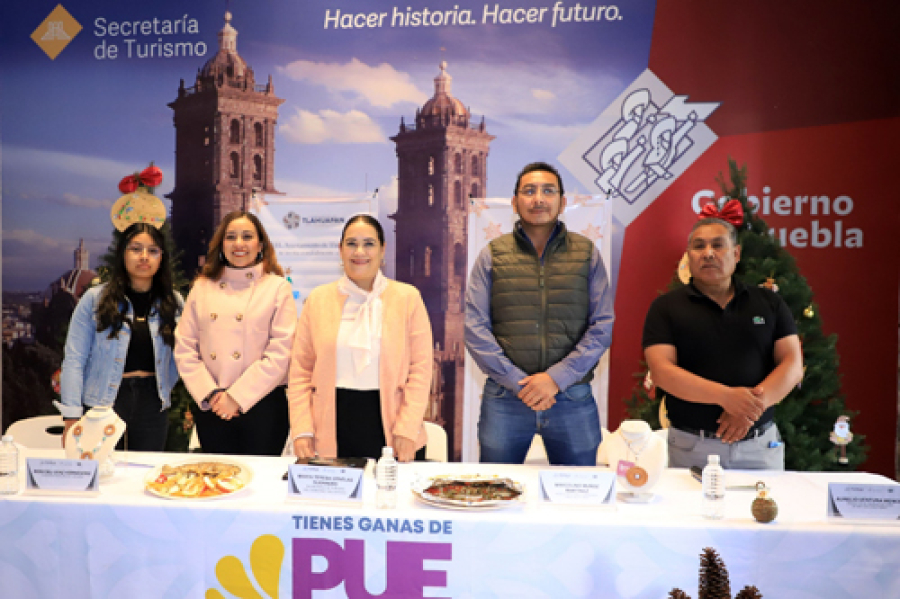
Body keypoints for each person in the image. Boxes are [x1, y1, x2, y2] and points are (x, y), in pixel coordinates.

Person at [465, 162, 614, 466]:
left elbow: (602, 326)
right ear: (514, 202)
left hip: (571, 397)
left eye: (548, 191)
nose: (538, 199)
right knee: (498, 488)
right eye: (529, 191)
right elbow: (474, 326)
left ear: (562, 202)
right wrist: (518, 381)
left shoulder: (586, 253)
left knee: (576, 490)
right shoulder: (492, 255)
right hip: (506, 399)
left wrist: (556, 378)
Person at [642, 201, 804, 470]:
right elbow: (662, 372)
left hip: (759, 448)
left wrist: (747, 411)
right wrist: (726, 397)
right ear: (688, 256)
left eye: (718, 245)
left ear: (736, 253)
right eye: (699, 246)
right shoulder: (665, 307)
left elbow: (792, 364)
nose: (708, 253)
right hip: (691, 449)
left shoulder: (769, 302)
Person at [287, 215, 433, 462]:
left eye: (369, 244)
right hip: (330, 428)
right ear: (340, 250)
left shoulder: (408, 298)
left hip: (395, 430)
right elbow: (300, 371)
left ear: (382, 249)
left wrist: (407, 429)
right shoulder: (318, 300)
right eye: (351, 243)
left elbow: (421, 370)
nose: (359, 252)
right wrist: (302, 429)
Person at [174, 211, 297, 455]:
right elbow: (185, 347)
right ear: (221, 244)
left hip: (262, 406)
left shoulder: (277, 288)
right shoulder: (202, 287)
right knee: (217, 475)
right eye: (231, 237)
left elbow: (281, 351)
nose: (239, 244)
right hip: (213, 405)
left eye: (247, 236)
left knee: (262, 477)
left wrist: (238, 397)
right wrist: (210, 393)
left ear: (260, 245)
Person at [57, 223, 182, 451]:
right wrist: (72, 416)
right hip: (102, 400)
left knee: (145, 469)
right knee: (97, 468)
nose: (144, 257)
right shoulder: (95, 299)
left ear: (161, 257)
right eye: (136, 249)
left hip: (153, 403)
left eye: (152, 250)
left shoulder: (173, 302)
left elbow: (186, 355)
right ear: (122, 253)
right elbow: (74, 360)